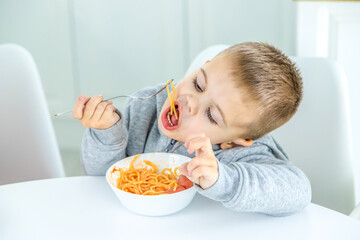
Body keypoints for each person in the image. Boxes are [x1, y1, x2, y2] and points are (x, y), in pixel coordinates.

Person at [72, 42, 311, 216]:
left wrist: (223, 179)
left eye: (211, 114)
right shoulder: (145, 107)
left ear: (237, 140)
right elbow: (98, 177)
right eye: (198, 84)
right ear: (201, 68)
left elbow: (299, 192)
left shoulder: (239, 155)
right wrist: (105, 132)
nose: (190, 102)